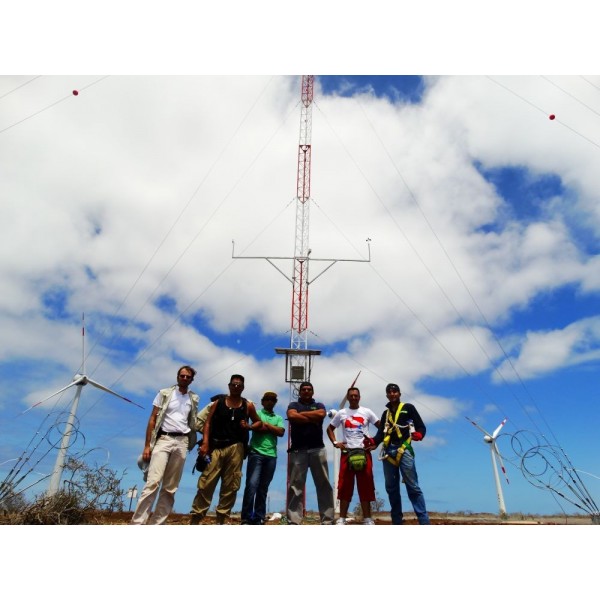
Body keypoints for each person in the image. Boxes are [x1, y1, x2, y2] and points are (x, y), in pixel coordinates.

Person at [131, 365, 200, 525]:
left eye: (187, 377)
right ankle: (137, 523)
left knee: (170, 487)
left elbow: (193, 420)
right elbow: (153, 419)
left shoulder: (193, 398)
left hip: (182, 442)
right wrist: (147, 446)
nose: (184, 378)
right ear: (177, 377)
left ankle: (157, 524)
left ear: (191, 380)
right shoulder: (164, 394)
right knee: (153, 482)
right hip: (164, 439)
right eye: (182, 376)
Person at [189, 374, 260, 524]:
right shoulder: (218, 402)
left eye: (239, 385)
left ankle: (221, 519)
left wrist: (249, 426)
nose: (236, 387)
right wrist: (205, 443)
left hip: (236, 447)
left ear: (243, 387)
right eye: (233, 384)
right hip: (215, 446)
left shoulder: (248, 405)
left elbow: (258, 423)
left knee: (231, 485)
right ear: (229, 386)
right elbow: (207, 423)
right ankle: (196, 517)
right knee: (206, 482)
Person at [365, 383, 430, 525]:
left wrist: (419, 434)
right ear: (387, 395)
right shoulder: (385, 413)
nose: (392, 394)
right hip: (388, 452)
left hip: (404, 449)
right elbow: (380, 434)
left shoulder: (408, 408)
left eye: (395, 392)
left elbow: (421, 426)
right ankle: (396, 522)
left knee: (413, 486)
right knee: (391, 488)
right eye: (390, 392)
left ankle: (424, 522)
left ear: (399, 394)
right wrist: (372, 441)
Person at [327, 387, 380, 525]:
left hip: (364, 452)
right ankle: (342, 518)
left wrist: (375, 442)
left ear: (360, 397)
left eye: (356, 395)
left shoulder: (367, 412)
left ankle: (368, 518)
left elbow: (382, 427)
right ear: (348, 397)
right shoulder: (341, 413)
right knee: (345, 485)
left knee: (366, 485)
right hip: (347, 453)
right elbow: (330, 429)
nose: (354, 398)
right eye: (351, 396)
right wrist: (335, 442)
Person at [286, 381, 335, 525]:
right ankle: (293, 521)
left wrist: (302, 415)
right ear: (300, 392)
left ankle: (327, 521)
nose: (306, 391)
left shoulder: (319, 405)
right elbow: (292, 416)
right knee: (296, 487)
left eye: (309, 389)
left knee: (324, 485)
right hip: (297, 450)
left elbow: (321, 414)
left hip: (317, 449)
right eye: (304, 389)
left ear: (313, 392)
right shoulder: (293, 405)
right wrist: (311, 418)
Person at [240, 391, 285, 524]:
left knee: (263, 488)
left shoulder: (278, 417)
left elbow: (281, 432)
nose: (270, 402)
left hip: (271, 455)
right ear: (263, 401)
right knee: (251, 485)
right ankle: (246, 517)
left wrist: (265, 425)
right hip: (256, 453)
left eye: (273, 400)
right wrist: (271, 428)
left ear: (275, 402)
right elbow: (255, 427)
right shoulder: (257, 413)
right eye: (267, 399)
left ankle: (259, 516)